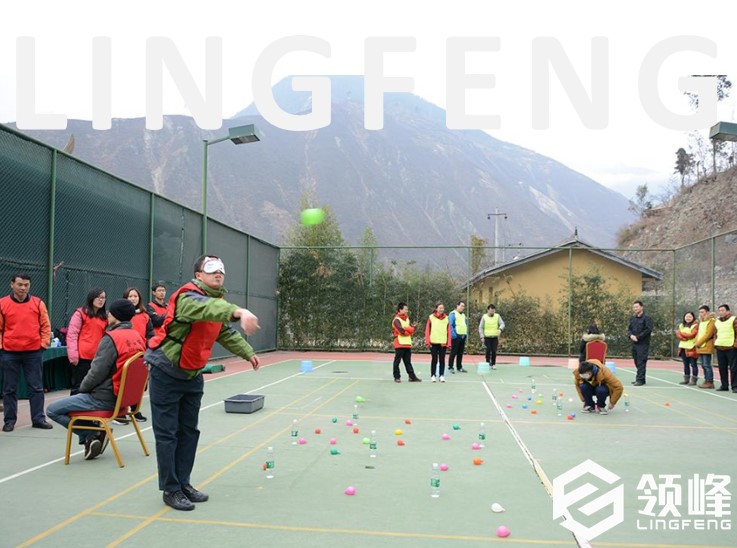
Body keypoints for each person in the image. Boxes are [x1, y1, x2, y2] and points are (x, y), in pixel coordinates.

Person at [144, 255, 261, 511]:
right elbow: (209, 309)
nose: (218, 272)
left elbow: (223, 331)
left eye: (221, 269)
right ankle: (171, 489)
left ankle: (183, 483)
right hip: (166, 370)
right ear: (198, 275)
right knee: (167, 434)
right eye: (211, 269)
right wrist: (238, 311)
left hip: (192, 373)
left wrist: (247, 352)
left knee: (189, 431)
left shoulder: (216, 301)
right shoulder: (188, 298)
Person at [46, 299, 146, 460]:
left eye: (110, 312)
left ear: (116, 315)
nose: (108, 314)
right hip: (126, 400)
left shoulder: (111, 338)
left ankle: (93, 433)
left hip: (105, 399)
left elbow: (96, 372)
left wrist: (83, 389)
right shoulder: (138, 337)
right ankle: (92, 438)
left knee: (52, 410)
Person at [0, 273, 54, 432]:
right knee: (9, 389)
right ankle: (9, 421)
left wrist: (43, 345)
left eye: (26, 285)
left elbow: (46, 326)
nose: (23, 288)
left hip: (33, 353)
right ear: (12, 284)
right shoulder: (2, 304)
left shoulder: (38, 303)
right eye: (19, 284)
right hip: (9, 353)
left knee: (36, 387)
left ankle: (38, 419)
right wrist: (2, 347)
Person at [121, 287, 154, 423]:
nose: (133, 299)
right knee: (123, 383)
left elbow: (150, 334)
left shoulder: (145, 316)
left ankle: (135, 410)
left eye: (135, 296)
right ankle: (120, 412)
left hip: (141, 354)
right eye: (130, 296)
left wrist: (148, 346)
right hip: (125, 353)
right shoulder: (121, 315)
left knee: (139, 383)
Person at [66, 288, 108, 395]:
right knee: (78, 388)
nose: (101, 300)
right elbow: (72, 335)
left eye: (103, 298)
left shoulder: (105, 317)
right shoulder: (80, 313)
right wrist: (73, 356)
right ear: (91, 298)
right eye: (98, 297)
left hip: (98, 359)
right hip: (81, 359)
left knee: (94, 388)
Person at [391, 302, 421, 383]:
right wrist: (409, 330)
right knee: (397, 361)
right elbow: (401, 331)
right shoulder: (396, 320)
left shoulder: (407, 319)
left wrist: (410, 329)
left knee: (408, 361)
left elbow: (411, 329)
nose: (407, 311)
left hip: (407, 343)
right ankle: (397, 377)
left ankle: (412, 377)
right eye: (405, 309)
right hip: (399, 343)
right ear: (400, 310)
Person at [627, 300, 653, 386]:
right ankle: (640, 378)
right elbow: (629, 329)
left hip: (643, 344)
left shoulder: (647, 318)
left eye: (637, 307)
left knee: (641, 361)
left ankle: (640, 380)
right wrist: (631, 335)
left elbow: (647, 330)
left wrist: (637, 337)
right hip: (634, 343)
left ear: (641, 307)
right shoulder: (633, 318)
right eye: (634, 307)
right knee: (636, 361)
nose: (635, 309)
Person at [713, 304, 737, 392]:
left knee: (734, 368)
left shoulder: (734, 319)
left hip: (731, 347)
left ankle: (735, 386)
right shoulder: (717, 321)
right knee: (722, 368)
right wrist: (715, 343)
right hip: (720, 347)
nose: (721, 312)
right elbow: (715, 333)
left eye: (723, 310)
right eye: (719, 311)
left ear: (728, 311)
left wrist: (735, 344)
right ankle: (724, 385)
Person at [425, 302, 451, 383]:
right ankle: (433, 375)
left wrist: (449, 343)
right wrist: (427, 341)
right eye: (440, 308)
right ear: (436, 309)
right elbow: (427, 330)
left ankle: (441, 375)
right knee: (434, 359)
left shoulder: (447, 318)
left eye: (442, 308)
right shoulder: (431, 317)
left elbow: (449, 331)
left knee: (442, 359)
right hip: (433, 342)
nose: (441, 309)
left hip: (443, 342)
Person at [695, 305, 716, 389]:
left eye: (702, 312)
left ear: (707, 312)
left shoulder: (711, 321)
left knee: (707, 365)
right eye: (700, 312)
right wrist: (696, 341)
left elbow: (708, 334)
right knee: (703, 365)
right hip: (700, 347)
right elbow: (699, 333)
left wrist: (698, 343)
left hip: (707, 346)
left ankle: (710, 381)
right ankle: (706, 380)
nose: (701, 314)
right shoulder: (701, 322)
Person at [675, 311, 699, 386]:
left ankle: (694, 380)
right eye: (686, 316)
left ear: (693, 317)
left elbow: (692, 335)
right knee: (686, 365)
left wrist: (682, 334)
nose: (688, 318)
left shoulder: (695, 325)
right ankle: (686, 379)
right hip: (682, 348)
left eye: (690, 316)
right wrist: (683, 336)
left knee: (693, 364)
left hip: (692, 348)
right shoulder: (681, 325)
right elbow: (678, 334)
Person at [478, 304, 505, 369]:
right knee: (488, 350)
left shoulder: (497, 316)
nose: (492, 312)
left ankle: (493, 364)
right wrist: (482, 336)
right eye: (491, 311)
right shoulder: (484, 317)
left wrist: (500, 329)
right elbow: (481, 327)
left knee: (494, 351)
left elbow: (502, 324)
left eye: (493, 311)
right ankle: (488, 363)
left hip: (494, 337)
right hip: (487, 337)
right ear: (488, 310)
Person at [447, 301, 469, 374]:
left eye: (464, 306)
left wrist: (466, 333)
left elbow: (464, 324)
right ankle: (450, 367)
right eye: (461, 306)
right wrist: (453, 334)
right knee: (454, 352)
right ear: (457, 306)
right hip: (456, 336)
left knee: (460, 353)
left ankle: (459, 367)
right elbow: (450, 324)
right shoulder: (453, 314)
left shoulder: (463, 315)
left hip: (462, 336)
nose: (463, 307)